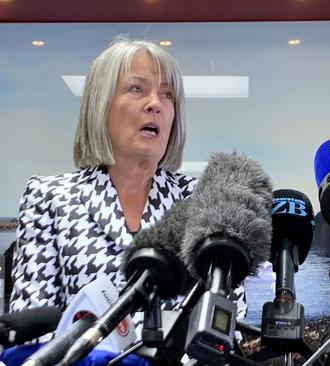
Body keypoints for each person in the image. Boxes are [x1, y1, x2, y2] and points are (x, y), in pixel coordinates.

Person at [9, 38, 245, 321]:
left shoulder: (201, 201)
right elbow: (30, 331)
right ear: (101, 105)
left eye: (168, 95)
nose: (155, 104)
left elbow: (231, 322)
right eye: (137, 89)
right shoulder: (50, 198)